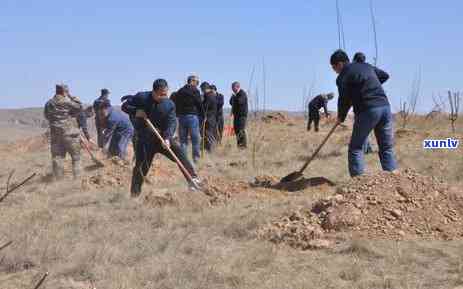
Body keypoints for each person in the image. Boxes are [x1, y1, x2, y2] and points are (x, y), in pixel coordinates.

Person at [121, 79, 201, 197]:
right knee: (141, 167)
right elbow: (125, 106)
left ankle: (193, 180)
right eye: (161, 94)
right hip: (144, 139)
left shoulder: (169, 104)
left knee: (180, 153)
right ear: (154, 91)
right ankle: (134, 194)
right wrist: (136, 111)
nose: (164, 96)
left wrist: (167, 138)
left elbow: (172, 122)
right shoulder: (142, 97)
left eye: (166, 93)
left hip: (162, 138)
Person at [330, 49, 397, 177]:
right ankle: (393, 179)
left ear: (339, 64)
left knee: (356, 148)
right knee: (386, 147)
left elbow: (343, 100)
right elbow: (384, 75)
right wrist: (369, 86)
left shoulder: (342, 76)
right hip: (385, 108)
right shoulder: (366, 66)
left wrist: (341, 117)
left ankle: (357, 186)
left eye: (334, 68)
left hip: (367, 110)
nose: (335, 71)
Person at [353, 51, 391, 154]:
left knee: (361, 129)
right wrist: (376, 84)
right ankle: (368, 149)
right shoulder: (369, 68)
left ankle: (365, 149)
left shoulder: (354, 69)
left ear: (354, 60)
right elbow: (385, 75)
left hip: (364, 104)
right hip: (382, 105)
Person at [44, 84, 83, 180]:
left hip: (55, 135)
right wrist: (71, 96)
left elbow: (47, 116)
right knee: (76, 158)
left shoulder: (49, 103)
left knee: (57, 158)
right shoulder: (67, 101)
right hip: (70, 134)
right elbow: (79, 107)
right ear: (64, 92)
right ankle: (78, 181)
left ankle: (58, 182)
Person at [172, 75, 203, 163]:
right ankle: (196, 158)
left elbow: (175, 102)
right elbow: (199, 103)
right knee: (195, 139)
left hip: (181, 117)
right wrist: (203, 115)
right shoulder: (195, 90)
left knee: (183, 140)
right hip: (192, 117)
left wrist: (178, 113)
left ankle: (183, 159)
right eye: (197, 82)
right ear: (192, 81)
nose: (197, 84)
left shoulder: (180, 91)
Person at [230, 81, 248, 148]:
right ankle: (239, 145)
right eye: (231, 88)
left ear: (237, 87)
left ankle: (243, 146)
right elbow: (231, 102)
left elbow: (240, 101)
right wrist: (233, 98)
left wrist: (234, 98)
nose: (232, 89)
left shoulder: (242, 93)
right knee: (236, 130)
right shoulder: (235, 95)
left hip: (241, 116)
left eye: (233, 87)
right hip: (236, 116)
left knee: (241, 130)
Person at [201, 82, 218, 152]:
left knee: (209, 134)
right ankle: (208, 149)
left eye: (202, 89)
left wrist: (205, 116)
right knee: (207, 134)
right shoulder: (211, 95)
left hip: (209, 118)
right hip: (211, 117)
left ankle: (211, 150)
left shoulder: (209, 96)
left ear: (205, 88)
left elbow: (206, 107)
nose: (201, 91)